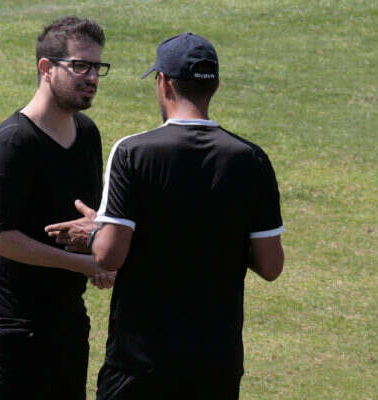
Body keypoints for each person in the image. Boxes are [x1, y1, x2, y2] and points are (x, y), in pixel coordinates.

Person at [89, 32, 285, 399]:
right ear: (216, 86)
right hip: (216, 364)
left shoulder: (132, 153)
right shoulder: (252, 159)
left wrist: (92, 232)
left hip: (140, 364)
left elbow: (108, 255)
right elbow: (271, 265)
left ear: (164, 82)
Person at [0, 16, 113, 400]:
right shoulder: (12, 143)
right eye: (80, 66)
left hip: (67, 319)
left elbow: (89, 213)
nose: (91, 77)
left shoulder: (87, 134)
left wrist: (99, 242)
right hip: (9, 328)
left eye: (96, 67)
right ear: (46, 68)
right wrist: (83, 264)